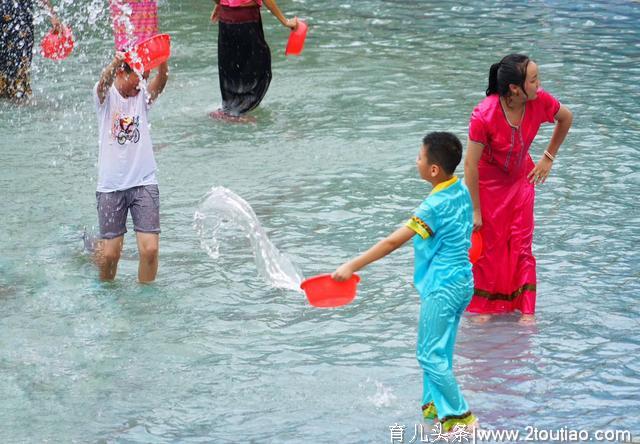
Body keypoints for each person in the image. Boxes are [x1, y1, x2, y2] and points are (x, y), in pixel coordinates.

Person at [332, 132, 478, 432]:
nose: (417, 161)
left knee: (428, 353)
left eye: (420, 157)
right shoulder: (460, 188)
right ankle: (435, 410)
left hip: (443, 287)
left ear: (433, 169)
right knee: (442, 351)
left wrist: (352, 265)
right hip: (464, 282)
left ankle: (463, 420)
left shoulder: (432, 206)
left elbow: (390, 243)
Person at [464, 54, 573, 324]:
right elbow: (470, 165)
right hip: (488, 186)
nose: (540, 85)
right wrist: (475, 210)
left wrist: (548, 158)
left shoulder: (540, 102)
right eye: (534, 80)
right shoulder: (484, 114)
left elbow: (566, 118)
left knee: (521, 244)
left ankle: (526, 311)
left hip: (521, 180)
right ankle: (485, 307)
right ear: (515, 88)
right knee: (490, 246)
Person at [93, 53, 169, 282]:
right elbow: (103, 82)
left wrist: (162, 58)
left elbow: (162, 80)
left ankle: (146, 300)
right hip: (110, 186)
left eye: (144, 78)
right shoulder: (105, 98)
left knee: (150, 250)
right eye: (137, 79)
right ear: (121, 73)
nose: (141, 85)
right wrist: (115, 62)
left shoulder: (142, 96)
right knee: (110, 255)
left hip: (144, 181)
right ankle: (106, 296)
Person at [209, 0, 298, 120]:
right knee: (261, 65)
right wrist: (285, 21)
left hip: (225, 19)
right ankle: (238, 112)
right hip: (246, 18)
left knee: (230, 65)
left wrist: (221, 4)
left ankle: (227, 109)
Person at [0, 0, 62, 100]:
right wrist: (53, 15)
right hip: (19, 19)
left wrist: (52, 14)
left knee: (14, 74)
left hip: (19, 20)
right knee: (17, 79)